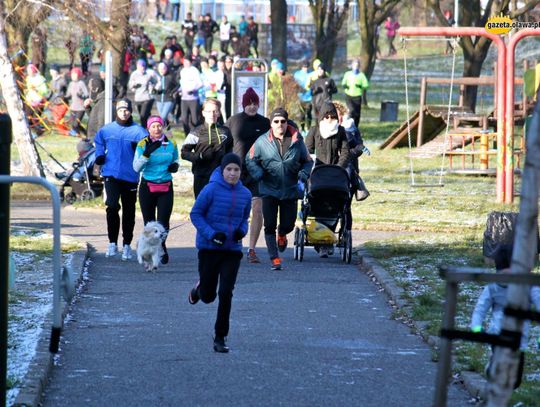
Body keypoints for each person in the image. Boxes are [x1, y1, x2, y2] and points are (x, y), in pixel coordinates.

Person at [188, 153, 252, 353]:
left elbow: (244, 218)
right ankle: (199, 290)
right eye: (229, 169)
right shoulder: (211, 189)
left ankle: (220, 336)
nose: (232, 174)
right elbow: (195, 214)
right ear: (222, 170)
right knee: (208, 296)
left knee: (226, 293)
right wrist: (211, 234)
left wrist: (243, 230)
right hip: (209, 249)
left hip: (232, 250)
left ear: (240, 172)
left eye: (236, 170)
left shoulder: (246, 194)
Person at [245, 108, 313, 271]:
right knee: (269, 225)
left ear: (287, 122)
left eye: (283, 121)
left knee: (288, 224)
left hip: (290, 189)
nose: (279, 124)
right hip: (268, 189)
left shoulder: (297, 141)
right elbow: (250, 159)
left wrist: (304, 173)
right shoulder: (262, 141)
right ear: (271, 123)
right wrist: (257, 173)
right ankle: (274, 259)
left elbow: (308, 161)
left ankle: (282, 234)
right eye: (276, 121)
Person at [470, 244, 540, 389]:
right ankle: (493, 373)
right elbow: (480, 309)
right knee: (499, 372)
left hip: (520, 338)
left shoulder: (529, 287)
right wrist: (476, 328)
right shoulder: (493, 287)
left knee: (514, 382)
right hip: (498, 335)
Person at [94, 99, 148, 260]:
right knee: (111, 205)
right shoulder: (107, 129)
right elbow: (98, 141)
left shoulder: (138, 131)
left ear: (131, 111)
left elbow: (147, 148)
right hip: (111, 173)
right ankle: (112, 243)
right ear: (116, 111)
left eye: (127, 110)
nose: (124, 113)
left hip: (130, 175)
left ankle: (126, 244)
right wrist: (100, 155)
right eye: (120, 110)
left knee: (129, 209)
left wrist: (139, 150)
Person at [226, 88, 271, 264]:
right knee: (235, 209)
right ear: (243, 104)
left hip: (257, 171)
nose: (252, 107)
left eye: (255, 103)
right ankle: (234, 243)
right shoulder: (233, 121)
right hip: (236, 171)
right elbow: (225, 145)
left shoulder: (265, 122)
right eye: (249, 103)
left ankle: (251, 249)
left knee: (257, 209)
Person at [305, 102, 351, 258]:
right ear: (321, 117)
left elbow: (345, 152)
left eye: (332, 116)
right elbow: (307, 151)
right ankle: (320, 241)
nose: (330, 119)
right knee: (316, 205)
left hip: (335, 173)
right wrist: (311, 166)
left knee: (336, 206)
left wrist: (339, 168)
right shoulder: (314, 131)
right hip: (318, 173)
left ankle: (329, 239)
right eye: (327, 116)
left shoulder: (341, 132)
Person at [133, 116, 179, 265]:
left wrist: (175, 167)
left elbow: (175, 160)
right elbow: (136, 168)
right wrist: (146, 154)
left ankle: (161, 246)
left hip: (166, 185)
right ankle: (151, 250)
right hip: (147, 186)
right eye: (153, 126)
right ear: (148, 129)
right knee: (150, 223)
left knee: (164, 222)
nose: (156, 129)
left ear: (163, 126)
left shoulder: (171, 143)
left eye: (159, 126)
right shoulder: (142, 144)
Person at [181, 98, 233, 197]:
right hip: (201, 177)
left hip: (220, 177)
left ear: (218, 113)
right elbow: (184, 153)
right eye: (208, 111)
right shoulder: (196, 132)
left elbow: (230, 151)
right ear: (203, 113)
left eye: (215, 111)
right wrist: (200, 156)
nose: (212, 114)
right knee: (202, 209)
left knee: (218, 209)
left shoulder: (226, 131)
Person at [128, 59, 159, 128]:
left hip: (147, 98)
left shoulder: (149, 74)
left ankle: (144, 131)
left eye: (143, 66)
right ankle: (150, 127)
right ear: (137, 66)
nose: (142, 68)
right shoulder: (134, 74)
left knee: (143, 116)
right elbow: (130, 86)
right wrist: (134, 85)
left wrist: (153, 88)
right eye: (140, 66)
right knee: (144, 116)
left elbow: (156, 82)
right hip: (138, 98)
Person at [341, 59, 369, 127]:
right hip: (349, 95)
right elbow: (343, 82)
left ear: (359, 66)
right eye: (354, 65)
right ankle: (349, 125)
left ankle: (355, 126)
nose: (356, 67)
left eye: (357, 65)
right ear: (352, 66)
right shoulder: (347, 74)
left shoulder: (361, 75)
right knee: (351, 110)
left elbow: (366, 85)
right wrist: (345, 85)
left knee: (357, 113)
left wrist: (360, 86)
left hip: (357, 96)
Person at [178, 58, 203, 135]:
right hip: (184, 99)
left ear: (191, 62)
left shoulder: (194, 70)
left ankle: (197, 134)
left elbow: (200, 84)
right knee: (184, 118)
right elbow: (182, 83)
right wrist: (179, 90)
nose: (185, 63)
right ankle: (187, 135)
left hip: (193, 98)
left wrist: (193, 90)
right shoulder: (182, 71)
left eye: (187, 61)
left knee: (195, 119)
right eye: (184, 62)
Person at [154, 62, 179, 129]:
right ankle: (167, 126)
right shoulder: (157, 77)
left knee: (162, 116)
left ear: (166, 69)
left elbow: (178, 85)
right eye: (160, 69)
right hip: (159, 100)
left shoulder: (171, 76)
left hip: (169, 99)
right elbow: (152, 87)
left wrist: (173, 92)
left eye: (163, 68)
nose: (162, 70)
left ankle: (158, 131)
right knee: (163, 116)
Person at [65, 67, 89, 137]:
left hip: (80, 108)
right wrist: (64, 97)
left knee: (76, 124)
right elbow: (68, 94)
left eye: (74, 74)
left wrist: (81, 95)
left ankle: (86, 133)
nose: (73, 76)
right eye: (72, 74)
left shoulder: (81, 83)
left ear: (78, 75)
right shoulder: (71, 84)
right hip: (73, 107)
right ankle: (77, 133)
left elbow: (86, 94)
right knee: (72, 123)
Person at [48, 64, 69, 136]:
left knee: (58, 118)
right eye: (50, 71)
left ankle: (65, 132)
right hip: (54, 103)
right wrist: (46, 99)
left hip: (62, 103)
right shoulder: (51, 81)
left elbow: (66, 88)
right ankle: (64, 132)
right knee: (56, 120)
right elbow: (50, 93)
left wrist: (64, 78)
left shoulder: (62, 80)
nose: (51, 73)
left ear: (56, 72)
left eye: (53, 71)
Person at [293, 61, 313, 134]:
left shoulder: (311, 73)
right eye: (304, 67)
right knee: (302, 115)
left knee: (309, 113)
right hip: (300, 97)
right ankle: (302, 129)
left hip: (309, 97)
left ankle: (309, 129)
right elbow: (294, 85)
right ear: (302, 67)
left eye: (307, 67)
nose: (306, 69)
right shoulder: (297, 74)